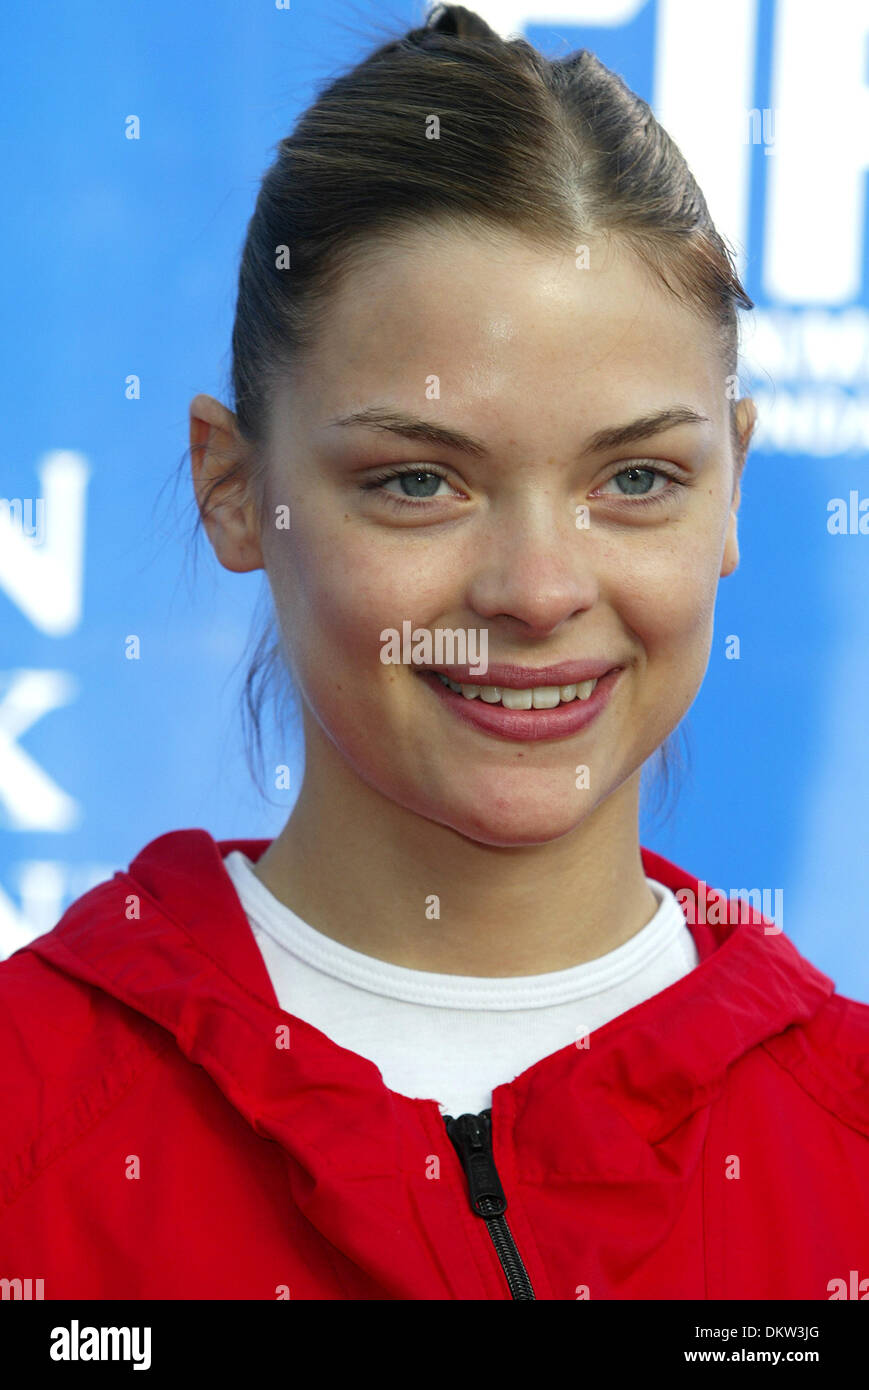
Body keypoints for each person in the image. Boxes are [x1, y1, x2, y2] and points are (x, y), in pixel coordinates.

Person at [1, 3, 867, 1302]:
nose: (535, 589)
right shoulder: (33, 1114)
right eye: (417, 481)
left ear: (730, 486)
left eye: (634, 475)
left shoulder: (841, 1134)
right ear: (234, 490)